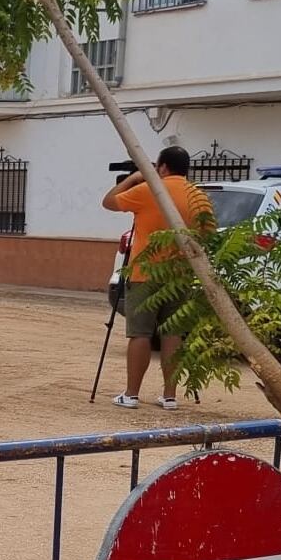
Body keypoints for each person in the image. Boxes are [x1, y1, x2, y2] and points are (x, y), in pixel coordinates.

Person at [101, 146, 214, 411]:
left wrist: (135, 178)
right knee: (173, 333)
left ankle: (131, 394)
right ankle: (170, 396)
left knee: (140, 333)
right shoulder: (199, 196)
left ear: (161, 167)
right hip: (180, 275)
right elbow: (208, 233)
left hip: (145, 273)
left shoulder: (150, 190)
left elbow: (108, 202)